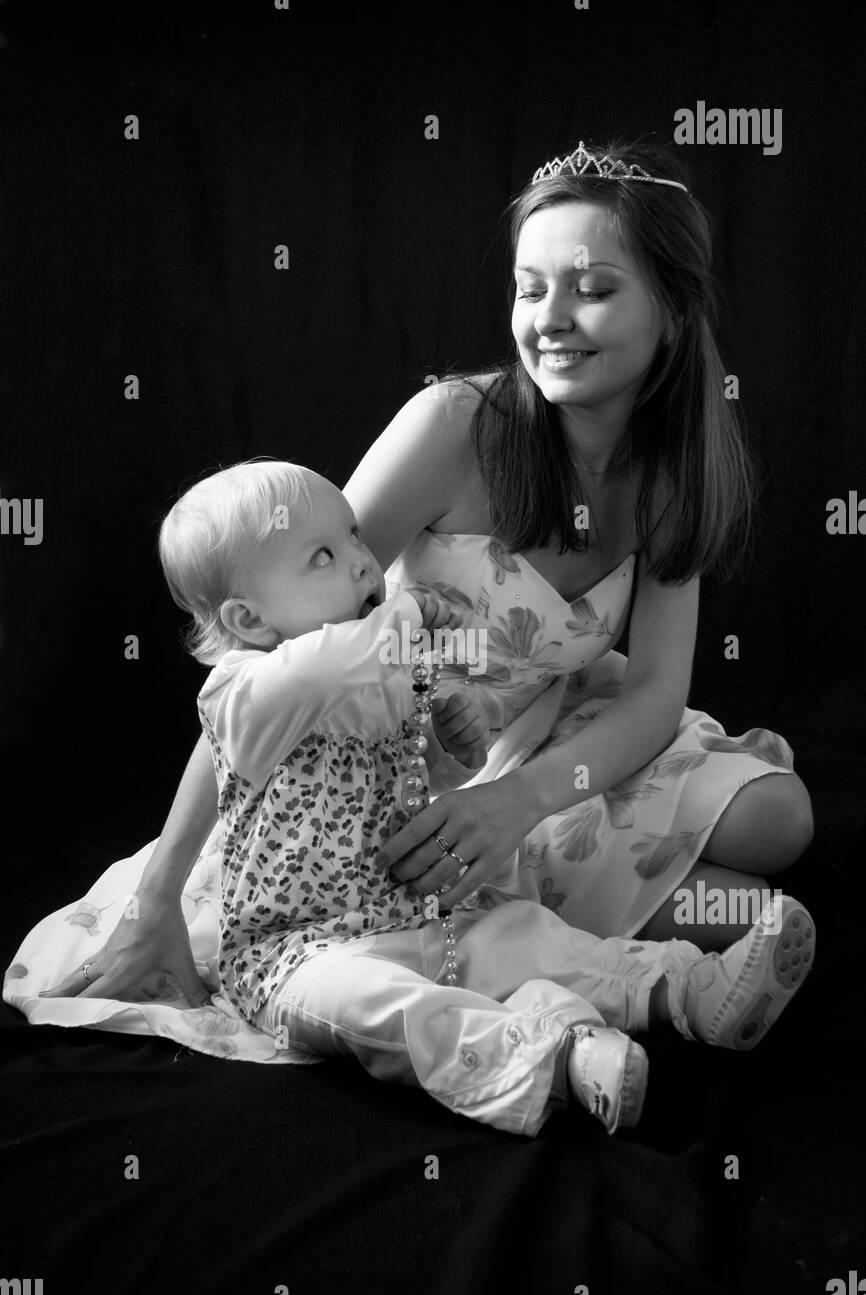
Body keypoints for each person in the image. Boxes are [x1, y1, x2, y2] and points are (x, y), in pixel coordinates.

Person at [29, 135, 814, 1013]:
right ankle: (631, 928)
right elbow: (281, 667)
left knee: (780, 820)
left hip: (545, 742)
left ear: (672, 307)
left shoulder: (670, 471)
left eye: (592, 291)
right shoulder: (452, 426)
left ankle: (572, 868)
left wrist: (524, 797)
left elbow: (660, 691)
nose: (549, 318)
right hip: (400, 754)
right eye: (530, 289)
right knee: (751, 906)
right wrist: (158, 894)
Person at [23, 457, 814, 1138]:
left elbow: (407, 781)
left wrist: (448, 746)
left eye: (358, 539)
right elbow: (321, 670)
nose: (367, 563)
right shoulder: (246, 691)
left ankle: (685, 992)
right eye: (325, 556)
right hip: (298, 952)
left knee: (528, 939)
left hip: (414, 914)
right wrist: (408, 616)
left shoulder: (376, 676)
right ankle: (556, 1062)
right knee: (387, 1007)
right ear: (246, 619)